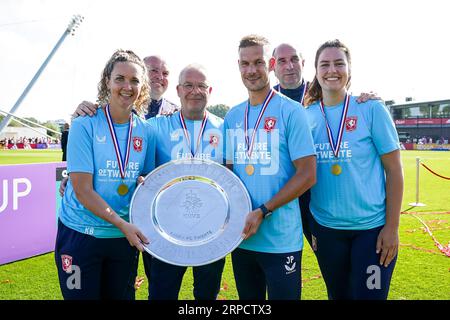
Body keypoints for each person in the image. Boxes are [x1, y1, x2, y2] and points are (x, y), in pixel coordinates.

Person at [304, 39, 403, 300]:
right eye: (324, 64)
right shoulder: (307, 116)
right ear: (315, 71)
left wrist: (392, 228)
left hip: (372, 231)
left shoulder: (371, 109)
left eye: (339, 63)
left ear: (349, 69)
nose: (332, 70)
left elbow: (394, 170)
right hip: (327, 230)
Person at [54, 49, 156, 300]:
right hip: (81, 235)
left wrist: (144, 183)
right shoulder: (84, 124)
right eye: (119, 78)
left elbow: (147, 178)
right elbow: (82, 189)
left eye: (134, 81)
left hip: (122, 239)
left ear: (142, 88)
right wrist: (123, 225)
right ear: (107, 82)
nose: (127, 86)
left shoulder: (147, 131)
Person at [224, 35, 316, 300]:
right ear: (238, 66)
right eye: (245, 64)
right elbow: (229, 174)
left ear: (271, 64)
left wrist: (264, 210)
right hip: (243, 237)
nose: (251, 70)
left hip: (281, 240)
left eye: (259, 62)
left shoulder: (291, 111)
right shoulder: (232, 116)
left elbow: (308, 174)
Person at [271, 43, 381, 248]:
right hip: (282, 193)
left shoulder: (321, 91)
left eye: (294, 59)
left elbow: (345, 103)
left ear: (304, 63)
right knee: (281, 256)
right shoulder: (268, 101)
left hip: (318, 194)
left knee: (323, 252)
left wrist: (367, 97)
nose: (289, 66)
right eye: (282, 61)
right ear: (273, 66)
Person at [145, 64, 225, 300]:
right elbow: (123, 128)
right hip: (167, 229)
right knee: (162, 294)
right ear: (178, 90)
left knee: (207, 295)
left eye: (201, 86)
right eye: (188, 85)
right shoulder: (156, 126)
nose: (195, 91)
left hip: (212, 229)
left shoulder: (225, 127)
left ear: (209, 90)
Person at [72, 55, 179, 119]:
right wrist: (79, 115)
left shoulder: (176, 113)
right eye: (154, 70)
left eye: (165, 73)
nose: (160, 77)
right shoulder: (114, 107)